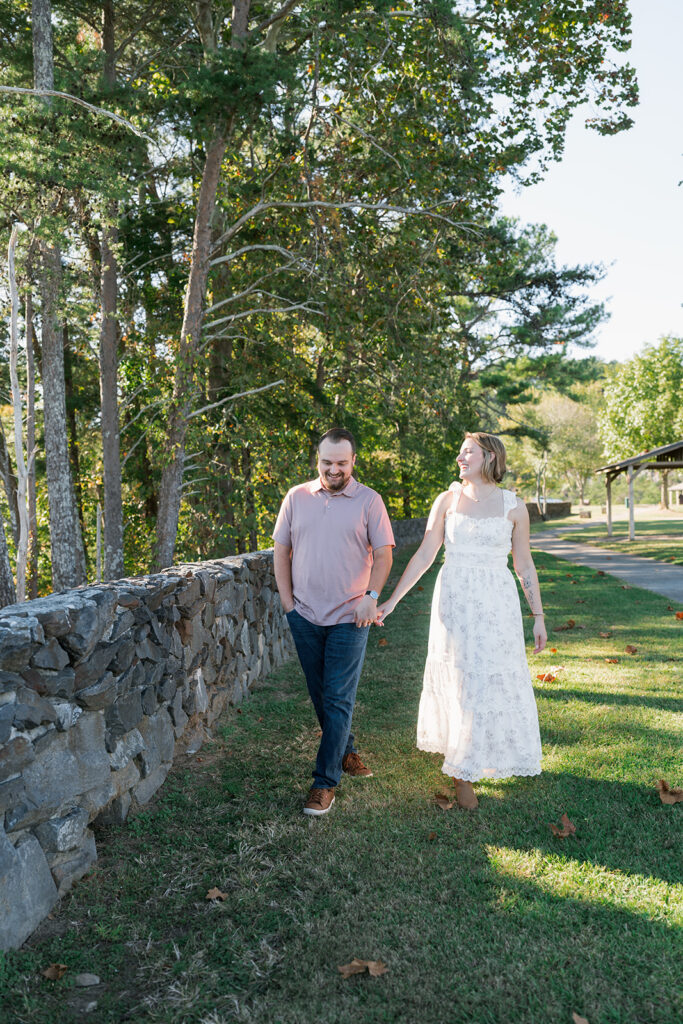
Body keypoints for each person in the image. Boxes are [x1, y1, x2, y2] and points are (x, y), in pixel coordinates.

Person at [376, 432, 545, 809]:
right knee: (460, 676)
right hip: (455, 600)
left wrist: (538, 615)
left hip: (497, 603)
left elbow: (524, 564)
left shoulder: (514, 507)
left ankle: (482, 753)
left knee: (490, 677)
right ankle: (461, 770)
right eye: (460, 452)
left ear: (489, 457)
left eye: (467, 452)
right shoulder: (447, 500)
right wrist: (392, 601)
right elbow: (424, 555)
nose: (459, 458)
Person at [273, 428, 394, 817]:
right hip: (304, 614)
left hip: (350, 616)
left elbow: (385, 554)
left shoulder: (369, 501)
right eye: (327, 462)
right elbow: (281, 550)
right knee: (321, 695)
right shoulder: (296, 497)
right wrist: (288, 602)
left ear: (353, 461)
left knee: (338, 697)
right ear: (318, 460)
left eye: (342, 463)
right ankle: (347, 751)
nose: (334, 469)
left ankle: (324, 783)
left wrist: (370, 598)